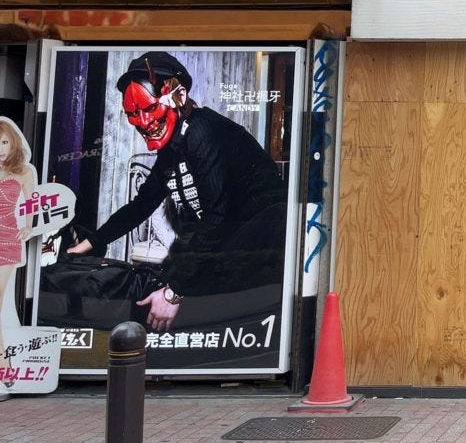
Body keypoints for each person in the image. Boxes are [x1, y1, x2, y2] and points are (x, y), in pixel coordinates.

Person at [67, 52, 287, 333]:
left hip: (258, 252)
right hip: (227, 249)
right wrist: (91, 242)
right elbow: (142, 204)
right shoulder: (174, 145)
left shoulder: (202, 132)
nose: (144, 122)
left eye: (149, 108)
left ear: (179, 96)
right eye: (133, 114)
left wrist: (174, 292)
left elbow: (218, 217)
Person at [0, 117, 37, 386]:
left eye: (4, 142)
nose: (1, 148)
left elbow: (32, 203)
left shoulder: (24, 170)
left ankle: (5, 364)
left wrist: (28, 227)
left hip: (6, 239)